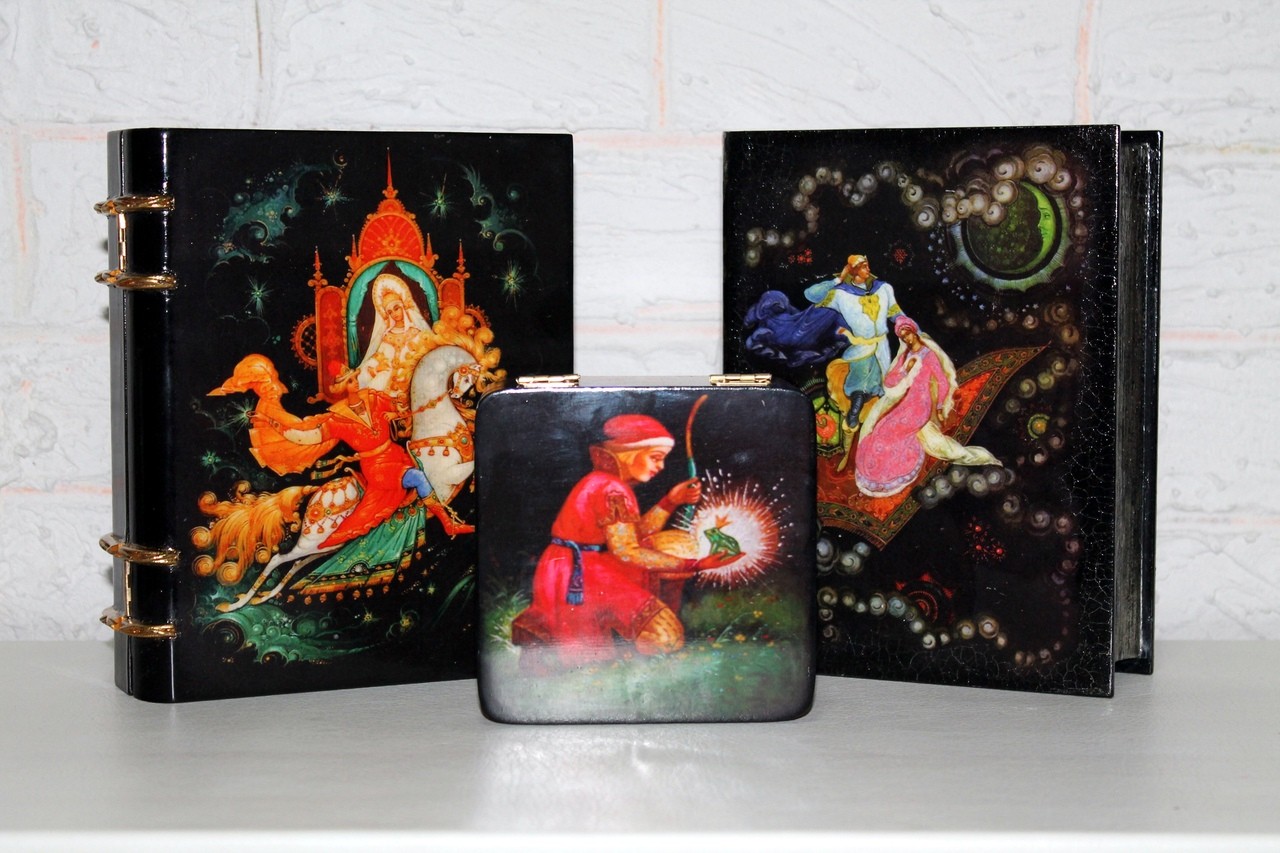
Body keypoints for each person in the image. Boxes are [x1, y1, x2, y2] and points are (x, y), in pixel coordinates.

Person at [510, 414, 741, 668]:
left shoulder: (603, 482)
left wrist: (670, 501)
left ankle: (627, 650)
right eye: (655, 457)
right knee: (667, 638)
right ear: (629, 454)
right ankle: (633, 661)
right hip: (580, 575)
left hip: (575, 567)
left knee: (670, 545)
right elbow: (627, 550)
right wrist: (694, 564)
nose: (661, 466)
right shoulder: (612, 489)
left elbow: (632, 535)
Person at [746, 254, 906, 430]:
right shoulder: (841, 293)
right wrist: (839, 279)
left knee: (880, 384)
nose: (868, 269)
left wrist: (911, 328)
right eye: (863, 266)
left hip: (880, 347)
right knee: (858, 376)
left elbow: (895, 313)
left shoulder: (883, 289)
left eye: (867, 265)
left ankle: (870, 418)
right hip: (852, 341)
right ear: (853, 271)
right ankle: (855, 409)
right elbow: (811, 294)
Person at [854, 318, 999, 498]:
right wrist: (904, 370)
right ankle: (873, 476)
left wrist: (938, 407)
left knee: (893, 432)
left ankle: (895, 473)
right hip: (906, 402)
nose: (907, 339)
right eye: (903, 337)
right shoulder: (906, 356)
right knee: (881, 429)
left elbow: (942, 381)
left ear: (914, 332)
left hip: (920, 405)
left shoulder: (928, 355)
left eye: (908, 334)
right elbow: (890, 381)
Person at [340, 273, 433, 409]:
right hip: (388, 383)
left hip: (411, 382)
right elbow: (377, 358)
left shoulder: (417, 334)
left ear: (403, 307)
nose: (394, 314)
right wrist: (376, 369)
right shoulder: (387, 336)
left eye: (396, 308)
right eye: (390, 312)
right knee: (374, 398)